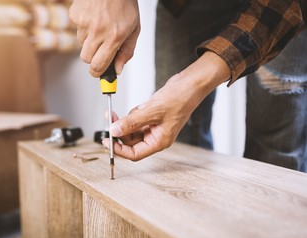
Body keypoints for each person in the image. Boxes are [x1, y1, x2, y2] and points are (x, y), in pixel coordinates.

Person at [69, 0, 307, 172]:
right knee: (178, 147)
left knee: (277, 149)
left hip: (280, 8)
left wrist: (190, 85)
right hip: (185, 4)